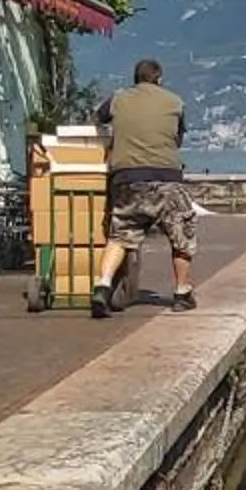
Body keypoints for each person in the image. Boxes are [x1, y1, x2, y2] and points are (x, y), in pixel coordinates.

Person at [91, 58, 193, 318]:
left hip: (127, 178)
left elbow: (97, 119)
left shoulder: (118, 98)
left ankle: (102, 286)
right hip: (166, 178)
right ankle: (182, 292)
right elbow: (177, 139)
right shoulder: (175, 101)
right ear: (158, 79)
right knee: (180, 235)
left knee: (120, 234)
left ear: (135, 78)